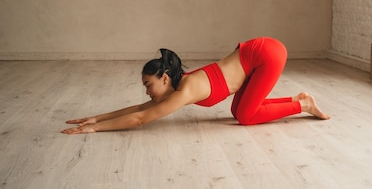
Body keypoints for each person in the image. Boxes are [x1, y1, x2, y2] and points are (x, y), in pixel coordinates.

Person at [62, 37, 330, 134]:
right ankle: (301, 99)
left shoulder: (186, 89)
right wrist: (97, 117)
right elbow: (143, 107)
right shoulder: (179, 87)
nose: (146, 91)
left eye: (148, 84)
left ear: (164, 78)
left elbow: (141, 119)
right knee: (240, 113)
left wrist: (95, 129)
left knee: (247, 116)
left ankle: (302, 104)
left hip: (266, 54)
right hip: (257, 53)